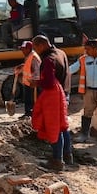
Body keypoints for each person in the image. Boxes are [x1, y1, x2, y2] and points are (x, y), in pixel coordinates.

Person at [31, 35, 72, 171]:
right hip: (64, 93)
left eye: (35, 48)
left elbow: (48, 83)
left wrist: (36, 83)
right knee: (63, 126)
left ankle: (57, 161)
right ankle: (67, 156)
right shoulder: (61, 53)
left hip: (54, 97)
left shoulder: (48, 60)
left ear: (41, 45)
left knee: (54, 127)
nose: (35, 51)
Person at [68, 39, 97, 149]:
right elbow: (71, 69)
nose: (86, 51)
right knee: (87, 112)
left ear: (95, 48)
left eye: (88, 49)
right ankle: (84, 135)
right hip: (89, 90)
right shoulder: (84, 59)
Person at [14, 40, 41, 117]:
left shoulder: (34, 57)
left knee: (32, 100)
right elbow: (29, 67)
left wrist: (34, 82)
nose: (22, 51)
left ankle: (33, 115)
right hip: (28, 82)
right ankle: (28, 114)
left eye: (23, 49)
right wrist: (22, 66)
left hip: (32, 83)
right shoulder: (29, 56)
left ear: (28, 49)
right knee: (27, 99)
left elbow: (37, 70)